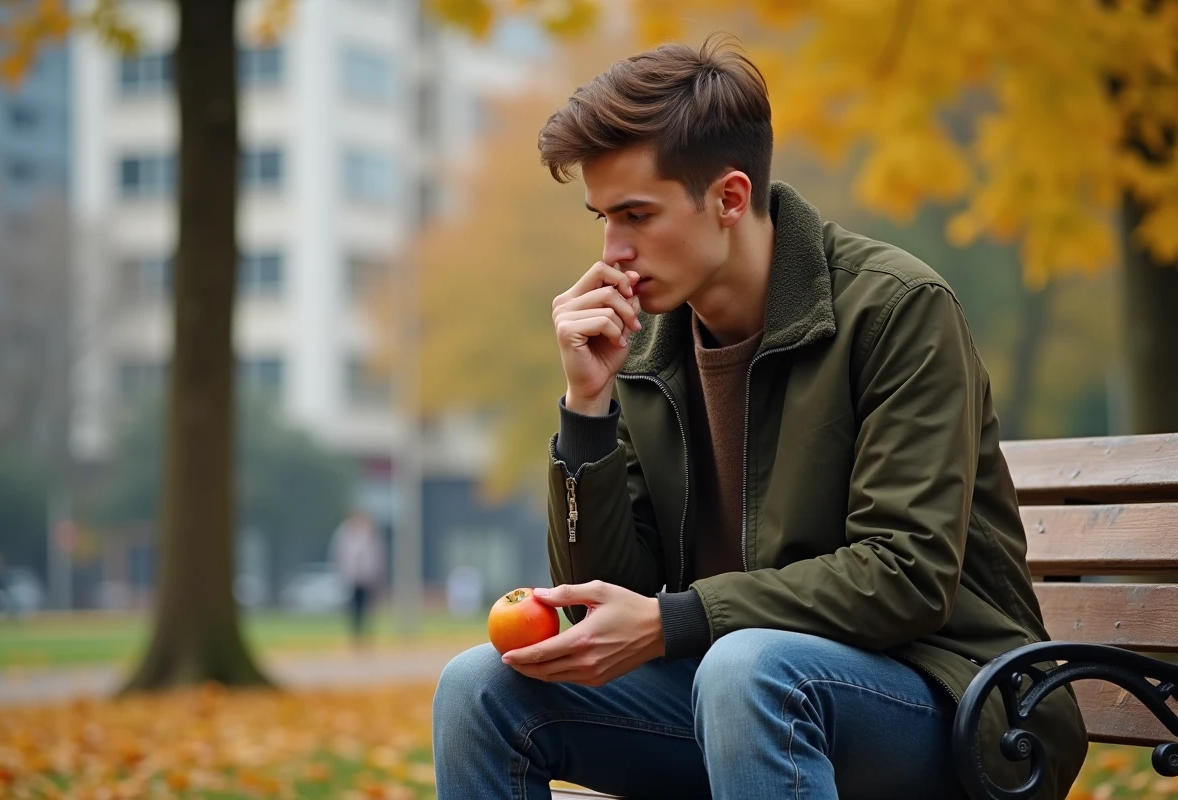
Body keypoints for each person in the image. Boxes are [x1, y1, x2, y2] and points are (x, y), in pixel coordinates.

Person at [432, 34, 1088, 800]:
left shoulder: (895, 311)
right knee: (479, 687)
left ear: (730, 198)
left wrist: (679, 621)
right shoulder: (642, 352)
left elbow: (906, 574)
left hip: (957, 700)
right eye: (602, 218)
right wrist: (587, 409)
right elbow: (607, 604)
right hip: (740, 696)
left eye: (636, 215)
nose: (613, 252)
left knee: (749, 669)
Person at [329, 509, 384, 650]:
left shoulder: (370, 534)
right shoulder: (344, 534)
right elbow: (339, 555)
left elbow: (377, 555)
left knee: (367, 608)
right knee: (353, 609)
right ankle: (356, 637)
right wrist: (341, 574)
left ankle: (367, 636)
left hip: (367, 577)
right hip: (351, 577)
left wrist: (376, 574)